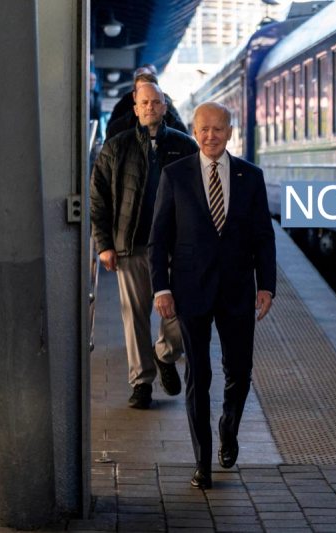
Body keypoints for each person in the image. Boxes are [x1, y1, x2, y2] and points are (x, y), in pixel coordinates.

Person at [148, 102, 276, 489]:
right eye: (203, 129)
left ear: (230, 132)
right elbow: (158, 239)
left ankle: (229, 429)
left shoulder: (250, 177)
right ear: (194, 130)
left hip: (238, 290)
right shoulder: (175, 175)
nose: (210, 136)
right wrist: (161, 288)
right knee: (198, 376)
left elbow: (263, 237)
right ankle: (202, 461)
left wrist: (266, 285)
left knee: (239, 371)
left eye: (218, 129)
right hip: (190, 290)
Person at [91, 83, 200, 409]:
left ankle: (165, 354)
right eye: (144, 102)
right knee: (134, 316)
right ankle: (141, 384)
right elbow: (98, 200)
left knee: (180, 311)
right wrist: (104, 245)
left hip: (175, 247)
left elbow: (200, 197)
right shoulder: (115, 147)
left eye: (156, 102)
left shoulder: (185, 146)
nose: (150, 107)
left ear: (165, 107)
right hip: (131, 246)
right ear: (135, 109)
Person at [106, 72, 187, 139]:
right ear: (134, 97)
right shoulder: (118, 128)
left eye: (151, 91)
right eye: (141, 91)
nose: (149, 106)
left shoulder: (176, 126)